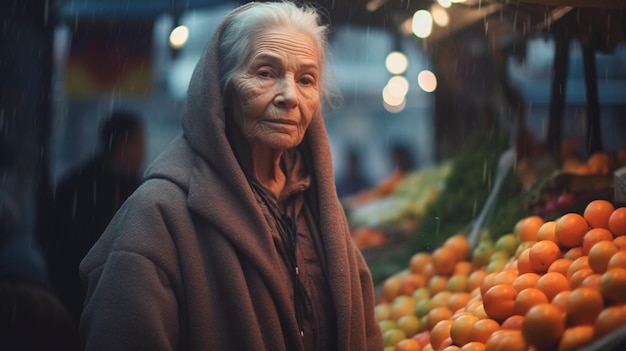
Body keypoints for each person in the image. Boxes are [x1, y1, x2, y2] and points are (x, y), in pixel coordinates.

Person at [79, 2, 383, 350]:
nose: (289, 96)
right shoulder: (157, 216)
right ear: (220, 90)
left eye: (306, 80)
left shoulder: (319, 209)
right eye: (266, 73)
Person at [42, 110, 145, 324]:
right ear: (124, 145)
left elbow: (47, 237)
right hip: (111, 302)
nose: (143, 152)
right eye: (140, 144)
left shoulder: (73, 183)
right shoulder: (135, 195)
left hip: (66, 295)